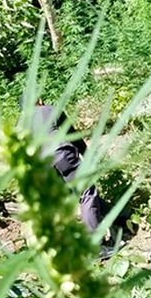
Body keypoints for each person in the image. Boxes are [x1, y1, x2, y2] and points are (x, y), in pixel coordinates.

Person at [27, 98, 125, 259]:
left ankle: (118, 217)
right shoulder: (49, 109)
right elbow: (73, 135)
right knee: (87, 193)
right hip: (61, 155)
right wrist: (88, 156)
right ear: (38, 100)